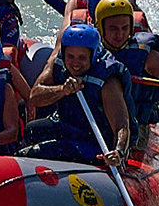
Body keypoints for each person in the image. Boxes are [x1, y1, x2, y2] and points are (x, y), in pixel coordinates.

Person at [92, 0, 159, 161]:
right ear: (100, 28)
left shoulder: (144, 54)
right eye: (113, 29)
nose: (120, 34)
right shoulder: (89, 51)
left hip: (135, 124)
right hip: (96, 120)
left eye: (125, 28)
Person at [25, 23, 129, 164]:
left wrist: (118, 151)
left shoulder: (108, 82)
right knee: (31, 131)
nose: (75, 63)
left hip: (93, 139)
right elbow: (34, 97)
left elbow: (121, 125)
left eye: (82, 58)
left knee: (39, 153)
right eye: (71, 56)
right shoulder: (58, 62)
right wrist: (62, 90)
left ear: (93, 56)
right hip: (68, 126)